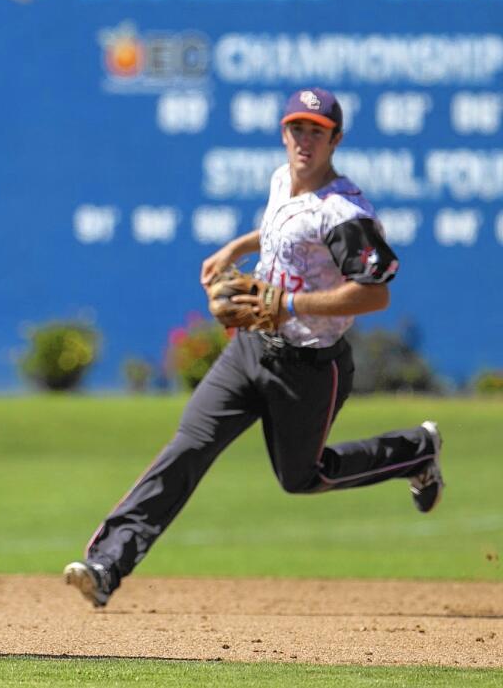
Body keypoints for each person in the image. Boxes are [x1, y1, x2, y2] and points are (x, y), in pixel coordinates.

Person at [64, 87, 444, 608]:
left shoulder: (342, 213)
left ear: (336, 139)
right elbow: (277, 230)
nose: (304, 139)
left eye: (316, 130)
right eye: (297, 128)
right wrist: (234, 248)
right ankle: (108, 563)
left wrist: (290, 306)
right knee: (189, 447)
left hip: (309, 370)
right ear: (284, 133)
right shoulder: (282, 180)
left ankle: (415, 452)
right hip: (249, 350)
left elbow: (375, 292)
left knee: (303, 477)